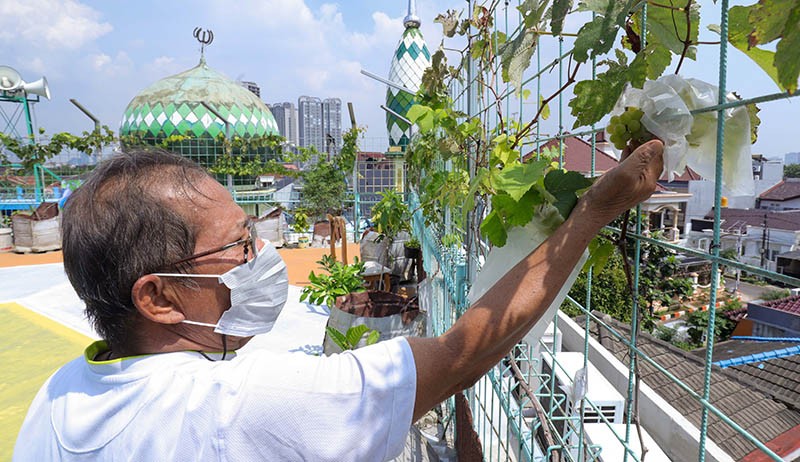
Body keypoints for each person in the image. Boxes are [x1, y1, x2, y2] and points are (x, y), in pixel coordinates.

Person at [13, 140, 664, 461]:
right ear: (156, 297)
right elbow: (464, 352)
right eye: (240, 248)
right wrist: (593, 213)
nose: (262, 260)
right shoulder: (238, 404)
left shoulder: (58, 397)